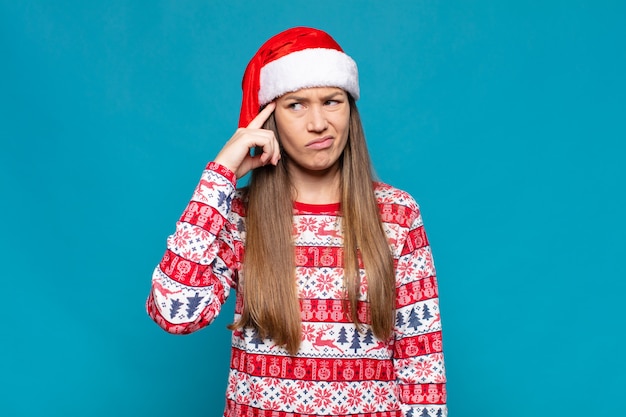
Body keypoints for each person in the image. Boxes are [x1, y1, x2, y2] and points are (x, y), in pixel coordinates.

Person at [147, 27, 447, 417]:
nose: (318, 122)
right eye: (296, 105)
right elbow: (174, 313)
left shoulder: (397, 213)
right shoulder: (239, 215)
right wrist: (218, 175)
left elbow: (421, 363)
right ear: (267, 120)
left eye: (331, 101)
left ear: (350, 109)